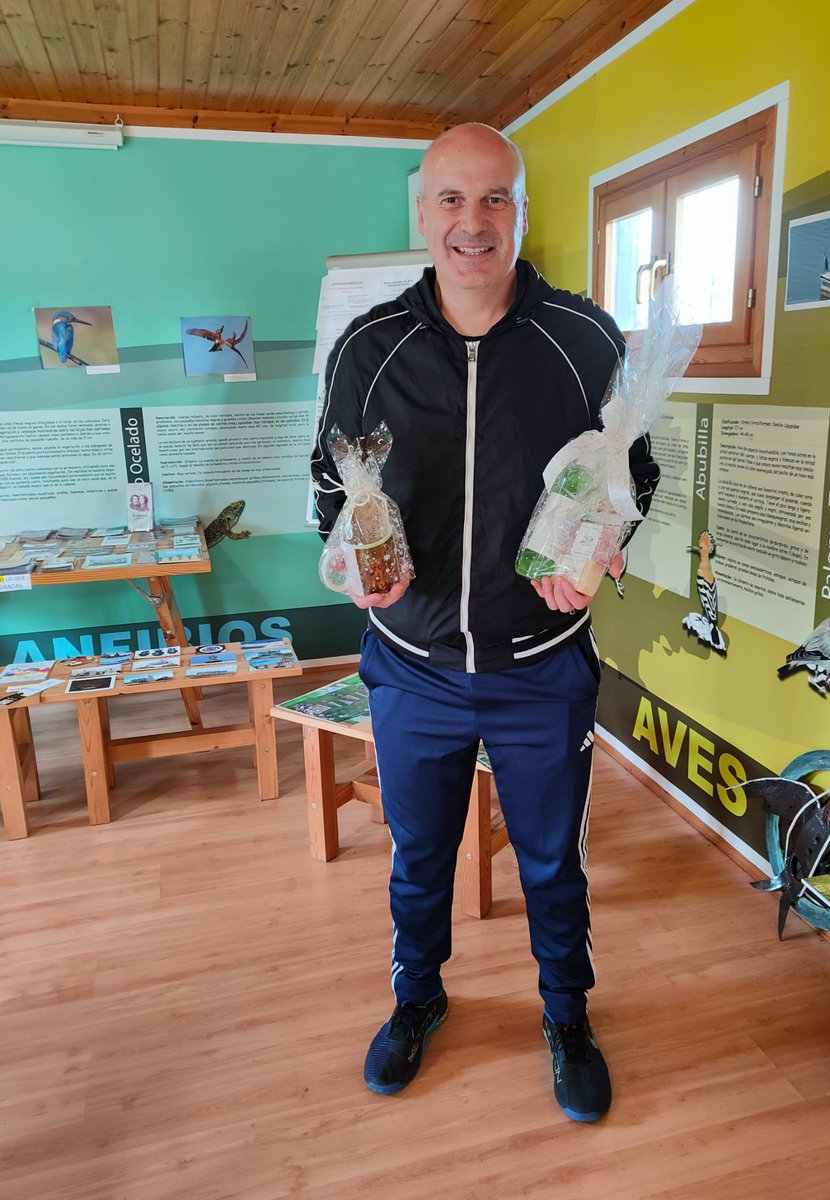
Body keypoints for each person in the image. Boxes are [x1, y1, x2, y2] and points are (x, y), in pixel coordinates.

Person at [311, 123, 659, 1123]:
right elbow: (328, 486)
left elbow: (636, 477)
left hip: (541, 666)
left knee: (552, 860)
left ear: (521, 211)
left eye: (495, 199)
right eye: (453, 201)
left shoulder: (585, 338)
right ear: (424, 213)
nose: (474, 223)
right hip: (412, 663)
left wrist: (606, 552)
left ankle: (566, 1015)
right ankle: (417, 999)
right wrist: (347, 559)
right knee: (418, 855)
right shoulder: (369, 349)